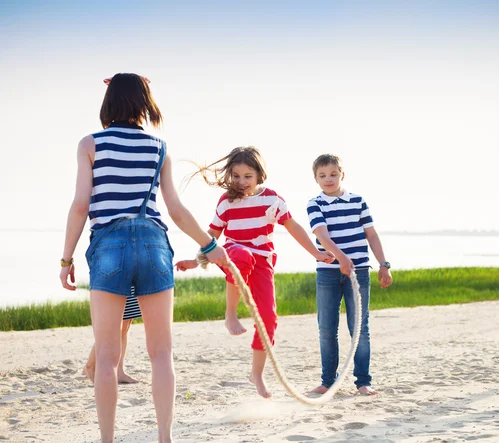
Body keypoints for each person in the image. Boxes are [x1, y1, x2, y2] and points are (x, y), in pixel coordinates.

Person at [59, 73, 228, 443]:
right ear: (144, 102)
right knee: (161, 353)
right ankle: (164, 438)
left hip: (108, 244)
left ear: (109, 102)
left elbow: (79, 206)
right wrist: (210, 246)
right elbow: (177, 210)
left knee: (105, 356)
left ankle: (108, 440)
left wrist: (66, 258)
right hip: (154, 242)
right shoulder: (158, 146)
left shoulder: (90, 144)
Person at [175, 146, 334, 398]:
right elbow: (212, 237)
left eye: (247, 176)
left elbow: (293, 227)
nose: (241, 182)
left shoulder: (272, 199)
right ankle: (230, 314)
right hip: (233, 254)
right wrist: (197, 261)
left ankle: (256, 374)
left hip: (263, 263)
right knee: (241, 255)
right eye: (236, 176)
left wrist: (316, 253)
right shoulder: (226, 202)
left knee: (268, 319)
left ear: (260, 175)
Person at [306, 154, 393, 396]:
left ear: (342, 175)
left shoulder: (358, 201)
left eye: (333, 174)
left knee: (360, 329)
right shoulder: (315, 204)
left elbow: (372, 234)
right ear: (315, 178)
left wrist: (383, 264)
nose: (328, 179)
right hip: (327, 273)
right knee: (326, 329)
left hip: (360, 273)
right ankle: (327, 381)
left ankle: (363, 382)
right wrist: (341, 257)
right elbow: (322, 236)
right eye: (322, 175)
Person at [82, 289, 140, 384]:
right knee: (113, 328)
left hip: (133, 279)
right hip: (117, 279)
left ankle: (119, 371)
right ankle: (90, 366)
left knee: (126, 324)